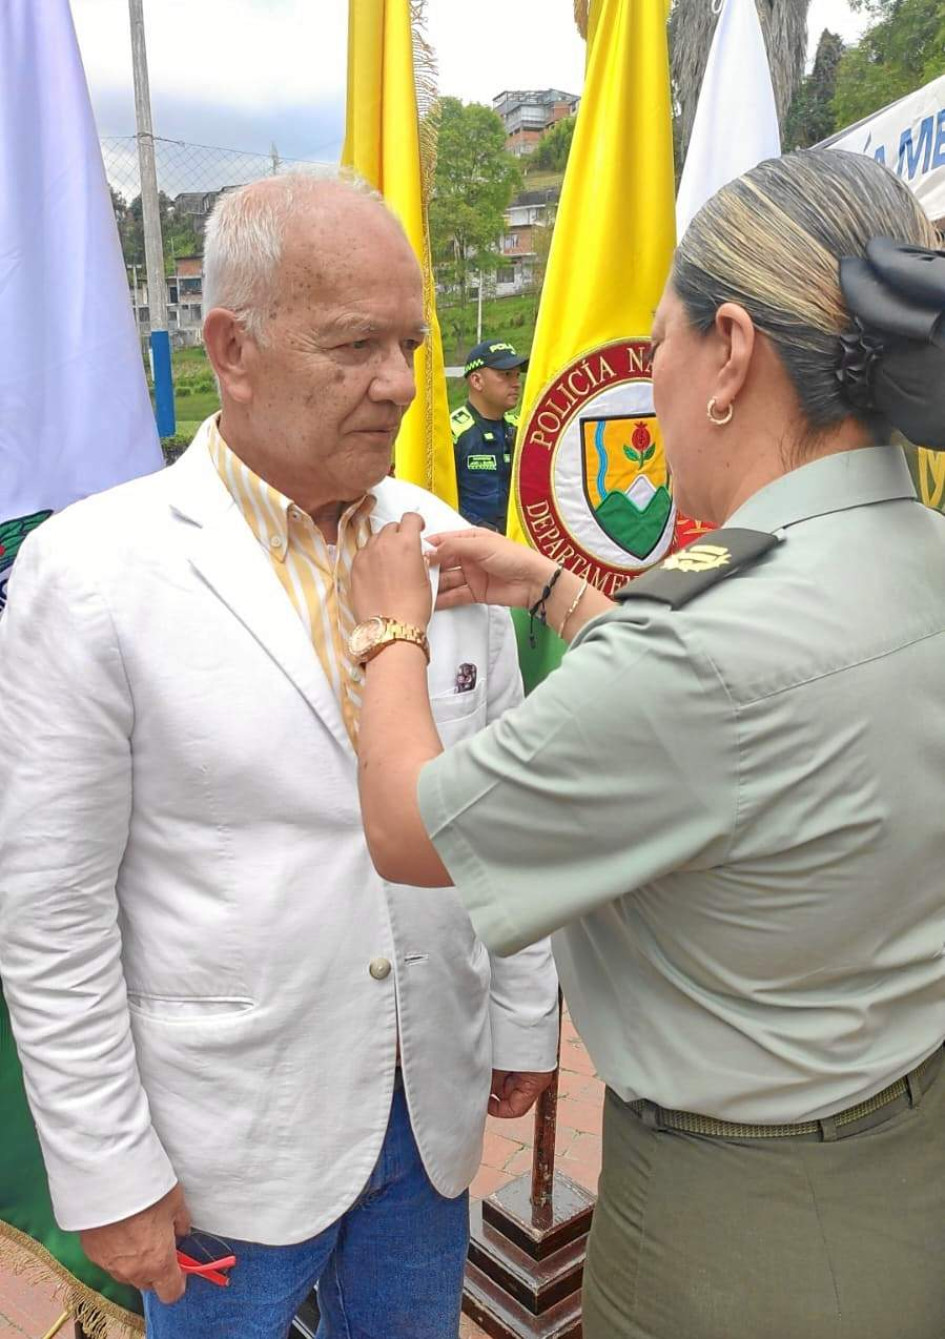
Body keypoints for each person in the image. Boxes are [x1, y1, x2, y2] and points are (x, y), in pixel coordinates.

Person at [346, 149, 945, 1339]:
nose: (650, 375)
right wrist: (561, 594)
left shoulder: (703, 648)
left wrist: (388, 631)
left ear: (730, 351)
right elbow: (750, 714)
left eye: (658, 339)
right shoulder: (912, 550)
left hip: (747, 1227)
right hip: (899, 1146)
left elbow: (410, 827)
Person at [0, 175, 558, 1339]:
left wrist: (518, 1021)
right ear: (231, 349)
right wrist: (109, 1172)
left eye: (409, 343)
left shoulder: (446, 545)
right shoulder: (92, 573)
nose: (402, 382)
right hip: (225, 1151)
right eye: (355, 344)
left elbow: (504, 811)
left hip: (431, 1114)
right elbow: (52, 910)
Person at [450, 338, 528, 531]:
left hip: (517, 544)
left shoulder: (523, 430)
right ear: (477, 380)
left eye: (517, 375)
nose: (516, 383)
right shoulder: (452, 431)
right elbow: (438, 495)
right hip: (468, 547)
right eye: (506, 374)